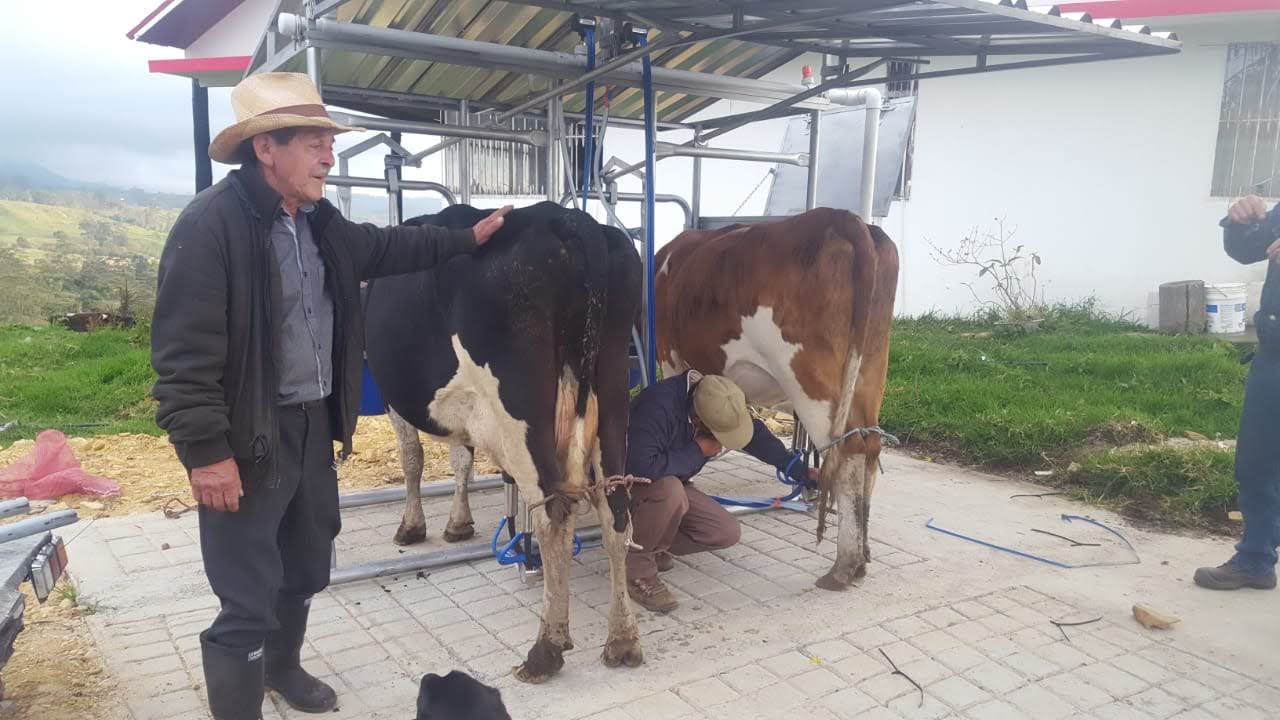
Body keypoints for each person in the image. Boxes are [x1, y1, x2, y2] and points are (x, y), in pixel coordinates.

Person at [150, 72, 512, 719]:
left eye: (329, 141)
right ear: (267, 148)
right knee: (246, 592)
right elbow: (183, 357)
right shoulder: (211, 228)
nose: (329, 154)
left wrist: (466, 239)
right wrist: (206, 453)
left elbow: (388, 246)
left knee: (306, 564)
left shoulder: (318, 221)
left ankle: (282, 669)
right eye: (315, 142)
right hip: (245, 436)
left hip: (313, 427)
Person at [624, 370, 811, 611]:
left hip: (670, 485)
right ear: (699, 420)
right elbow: (639, 466)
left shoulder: (719, 398)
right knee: (672, 492)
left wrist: (797, 470)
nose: (722, 442)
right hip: (629, 485)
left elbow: (754, 437)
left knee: (724, 532)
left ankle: (652, 543)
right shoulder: (656, 408)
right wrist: (696, 451)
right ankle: (636, 571)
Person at [1195, 194, 1280, 591]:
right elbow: (1248, 249)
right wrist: (1240, 222)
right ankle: (1256, 559)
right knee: (1256, 464)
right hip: (1274, 355)